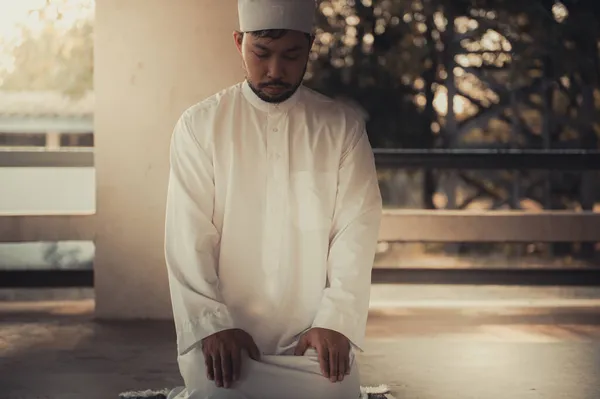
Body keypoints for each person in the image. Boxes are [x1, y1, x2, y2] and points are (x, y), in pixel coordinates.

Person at [164, 0, 382, 398]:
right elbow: (187, 234)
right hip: (225, 335)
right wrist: (213, 325)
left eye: (291, 55)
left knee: (332, 392)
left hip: (312, 336)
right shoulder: (200, 126)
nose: (275, 71)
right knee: (220, 391)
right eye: (261, 54)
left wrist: (335, 322)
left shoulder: (342, 127)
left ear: (310, 46)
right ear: (239, 43)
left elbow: (357, 228)